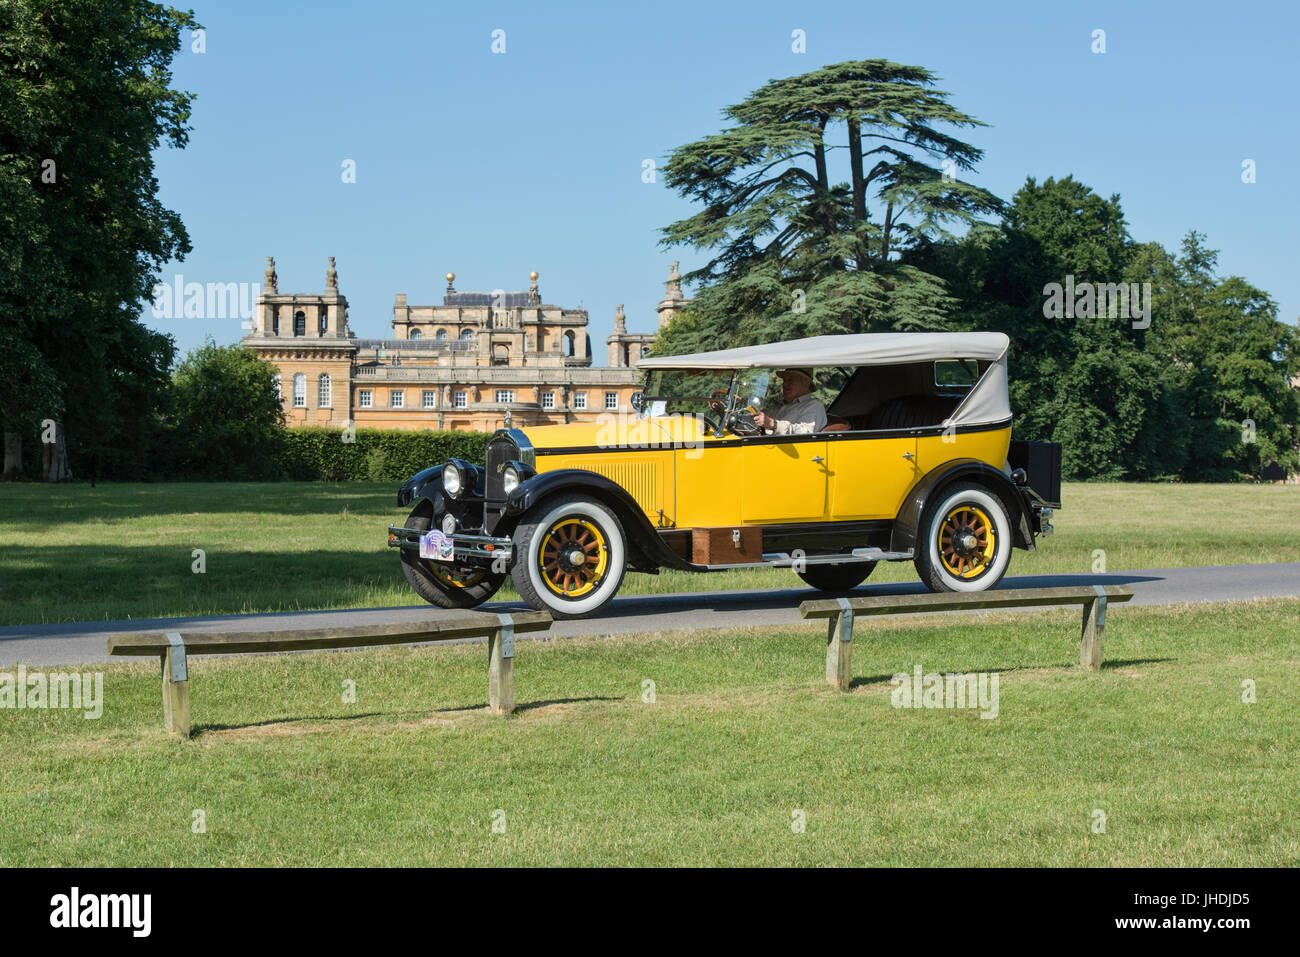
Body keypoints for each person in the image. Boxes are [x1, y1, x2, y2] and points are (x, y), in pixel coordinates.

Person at [754, 368, 826, 435]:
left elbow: (805, 433)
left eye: (790, 380)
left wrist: (773, 424)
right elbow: (755, 420)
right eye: (784, 380)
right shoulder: (778, 406)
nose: (784, 384)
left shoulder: (814, 406)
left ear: (806, 383)